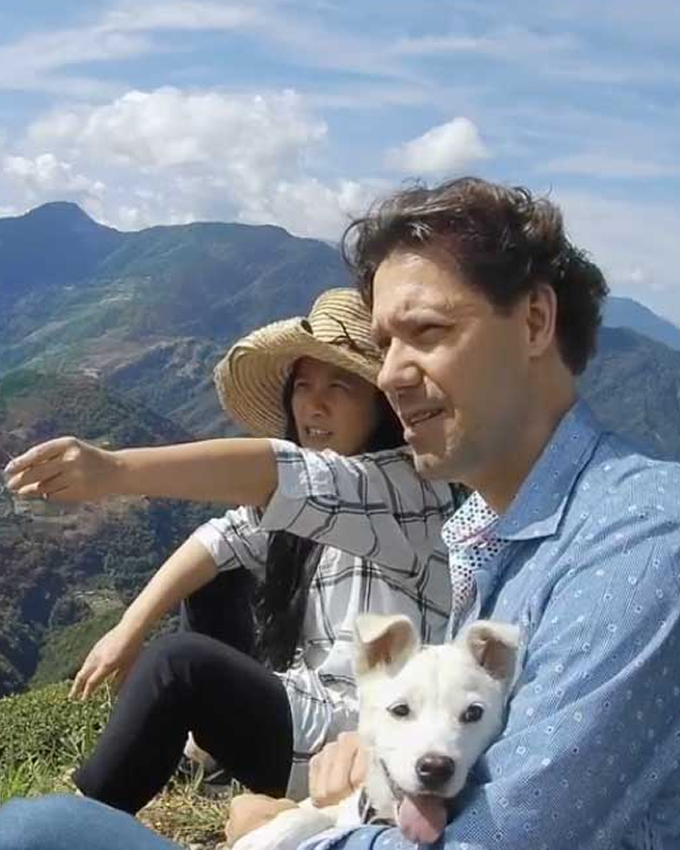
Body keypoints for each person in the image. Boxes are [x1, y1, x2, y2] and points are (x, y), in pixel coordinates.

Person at [4, 176, 680, 850]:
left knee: (40, 831)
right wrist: (371, 754)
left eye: (428, 331)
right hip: (345, 784)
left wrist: (287, 833)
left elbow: (498, 840)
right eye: (386, 346)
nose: (391, 375)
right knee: (45, 827)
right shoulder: (491, 536)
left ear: (534, 321)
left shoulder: (634, 543)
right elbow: (231, 532)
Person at [1, 288, 457, 816]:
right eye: (303, 385)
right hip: (311, 699)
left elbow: (277, 474)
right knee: (219, 574)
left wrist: (114, 470)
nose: (315, 404)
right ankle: (210, 756)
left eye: (340, 385)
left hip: (357, 739)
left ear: (380, 404)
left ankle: (71, 822)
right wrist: (128, 628)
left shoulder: (405, 490)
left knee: (178, 666)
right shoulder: (334, 496)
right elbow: (221, 539)